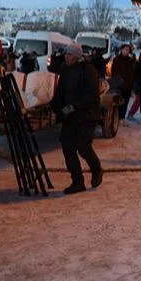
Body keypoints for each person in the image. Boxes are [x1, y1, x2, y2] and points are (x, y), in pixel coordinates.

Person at [50, 43, 102, 194]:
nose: (66, 57)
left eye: (70, 55)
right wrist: (55, 106)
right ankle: (77, 181)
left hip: (87, 116)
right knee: (68, 148)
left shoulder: (88, 70)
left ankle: (96, 169)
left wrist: (75, 106)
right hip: (70, 117)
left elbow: (91, 95)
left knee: (84, 148)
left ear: (77, 57)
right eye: (66, 54)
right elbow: (61, 91)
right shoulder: (66, 70)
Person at [110, 44, 136, 120]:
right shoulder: (116, 60)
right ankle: (116, 118)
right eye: (125, 49)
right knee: (117, 102)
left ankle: (122, 118)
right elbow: (114, 72)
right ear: (121, 50)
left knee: (125, 103)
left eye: (128, 50)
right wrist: (118, 82)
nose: (126, 51)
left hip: (128, 86)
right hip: (119, 85)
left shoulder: (130, 60)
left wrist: (131, 86)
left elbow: (132, 73)